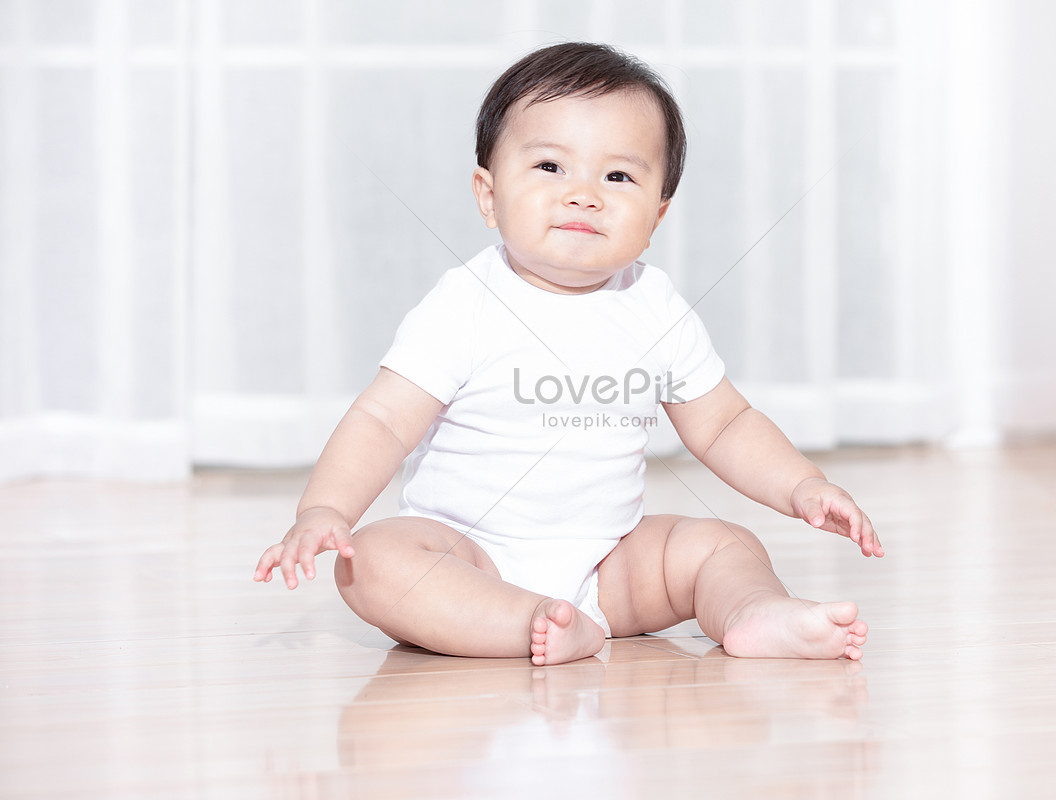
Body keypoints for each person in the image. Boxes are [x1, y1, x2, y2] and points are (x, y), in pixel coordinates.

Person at [253, 42, 884, 666]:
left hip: (611, 564)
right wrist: (325, 509)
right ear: (488, 194)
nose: (584, 194)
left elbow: (724, 424)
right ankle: (527, 622)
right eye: (551, 167)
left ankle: (752, 613)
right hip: (470, 555)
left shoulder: (655, 304)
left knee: (720, 544)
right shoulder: (463, 304)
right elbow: (383, 421)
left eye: (618, 176)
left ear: (657, 214)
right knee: (373, 564)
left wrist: (803, 484)